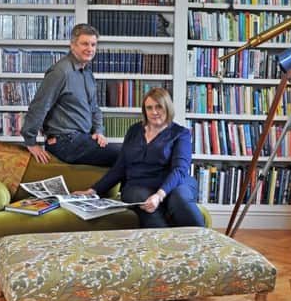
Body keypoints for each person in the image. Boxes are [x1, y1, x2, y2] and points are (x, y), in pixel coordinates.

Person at [76, 87, 205, 228]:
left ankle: (205, 242)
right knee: (142, 200)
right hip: (138, 185)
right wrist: (92, 191)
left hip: (175, 183)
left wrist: (159, 195)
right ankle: (163, 244)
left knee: (179, 198)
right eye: (149, 108)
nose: (154, 112)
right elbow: (120, 167)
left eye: (159, 107)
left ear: (167, 107)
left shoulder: (181, 134)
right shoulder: (134, 131)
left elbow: (180, 170)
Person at [21, 23, 120, 166]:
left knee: (127, 154)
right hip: (64, 143)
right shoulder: (60, 72)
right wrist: (30, 142)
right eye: (84, 44)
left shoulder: (87, 73)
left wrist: (99, 131)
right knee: (123, 155)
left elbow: (94, 108)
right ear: (72, 45)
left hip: (82, 139)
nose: (90, 49)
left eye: (93, 45)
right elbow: (39, 106)